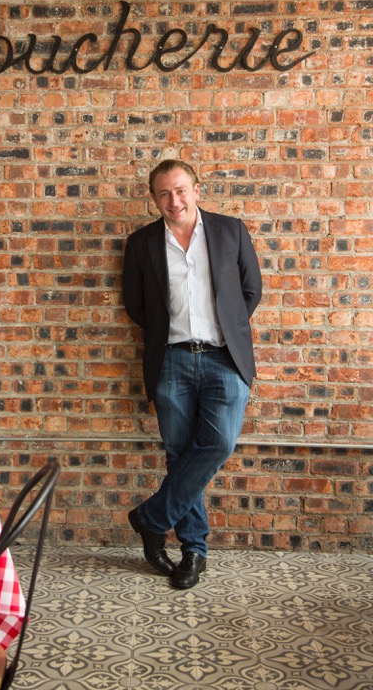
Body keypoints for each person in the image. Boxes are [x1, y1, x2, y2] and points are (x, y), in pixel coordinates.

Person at [123, 159, 262, 589]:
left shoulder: (230, 231)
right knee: (180, 455)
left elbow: (250, 290)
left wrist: (226, 328)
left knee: (218, 442)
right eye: (164, 193)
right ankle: (193, 551)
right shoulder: (142, 242)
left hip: (224, 358)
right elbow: (136, 304)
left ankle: (150, 518)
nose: (174, 200)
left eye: (181, 190)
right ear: (154, 198)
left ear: (197, 190)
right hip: (173, 360)